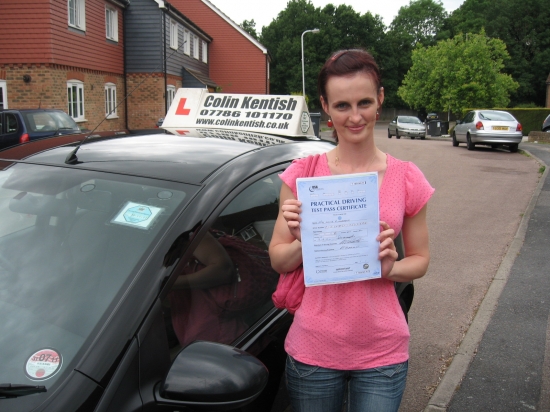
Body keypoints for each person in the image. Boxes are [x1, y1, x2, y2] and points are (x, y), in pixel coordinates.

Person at [269, 49, 435, 412]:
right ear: (325, 107)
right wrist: (304, 242)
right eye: (342, 105)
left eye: (364, 102)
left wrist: (391, 268)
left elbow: (420, 260)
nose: (355, 116)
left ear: (380, 100)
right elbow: (279, 260)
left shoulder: (407, 177)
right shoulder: (303, 174)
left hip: (382, 351)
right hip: (313, 348)